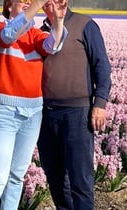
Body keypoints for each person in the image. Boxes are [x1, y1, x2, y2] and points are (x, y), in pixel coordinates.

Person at [0, 0, 68, 209]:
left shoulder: (35, 35)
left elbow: (54, 45)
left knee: (16, 176)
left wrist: (57, 19)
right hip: (4, 112)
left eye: (31, 0)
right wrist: (37, 4)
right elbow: (10, 34)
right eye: (23, 1)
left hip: (33, 112)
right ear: (9, 6)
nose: (29, 3)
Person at [37, 2, 112, 210]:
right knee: (55, 179)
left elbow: (102, 66)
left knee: (81, 179)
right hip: (45, 114)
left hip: (77, 113)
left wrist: (100, 103)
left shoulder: (84, 24)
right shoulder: (40, 32)